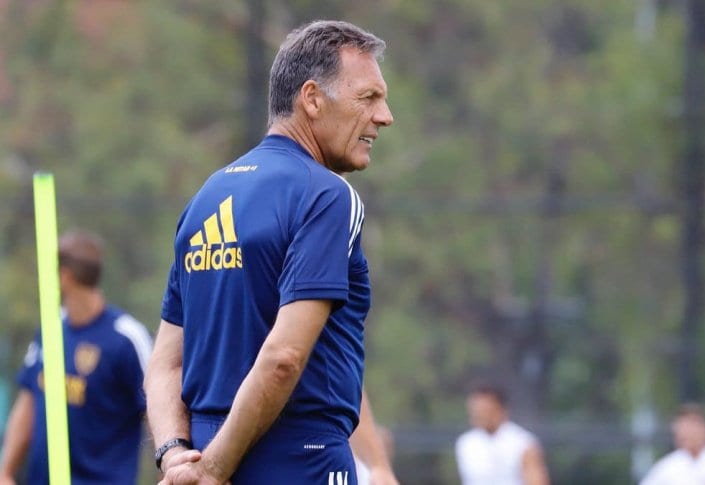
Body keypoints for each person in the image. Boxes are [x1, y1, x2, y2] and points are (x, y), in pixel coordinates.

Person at [144, 20, 397, 484]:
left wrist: (175, 456)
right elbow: (283, 358)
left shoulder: (206, 196)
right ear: (312, 98)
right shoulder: (326, 196)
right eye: (369, 97)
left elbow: (165, 364)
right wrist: (214, 469)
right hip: (300, 461)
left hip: (201, 457)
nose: (385, 116)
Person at [0, 230, 153, 484]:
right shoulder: (50, 329)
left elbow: (156, 411)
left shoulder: (127, 338)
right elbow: (28, 400)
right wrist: (5, 471)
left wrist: (168, 473)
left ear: (64, 276)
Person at [455, 383, 550, 485]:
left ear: (500, 409)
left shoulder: (522, 443)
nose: (479, 415)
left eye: (484, 410)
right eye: (475, 411)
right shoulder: (466, 443)